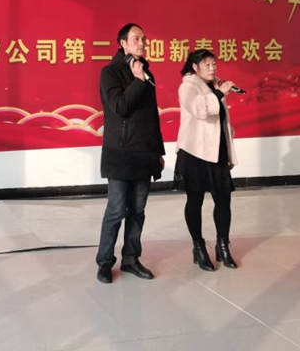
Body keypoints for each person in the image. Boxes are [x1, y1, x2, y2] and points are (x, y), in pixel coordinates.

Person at [95, 23, 166, 284]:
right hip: (120, 154)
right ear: (122, 43)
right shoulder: (110, 72)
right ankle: (105, 262)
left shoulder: (146, 72)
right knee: (116, 210)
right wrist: (137, 81)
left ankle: (131, 259)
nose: (142, 43)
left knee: (138, 210)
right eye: (136, 39)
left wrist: (158, 151)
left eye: (144, 39)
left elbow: (152, 118)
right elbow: (120, 107)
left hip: (144, 154)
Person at [174, 49, 239, 271]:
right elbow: (200, 110)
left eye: (214, 63)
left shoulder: (215, 86)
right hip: (194, 152)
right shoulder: (187, 86)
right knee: (195, 200)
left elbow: (220, 119)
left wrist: (228, 144)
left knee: (224, 199)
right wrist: (219, 93)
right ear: (195, 67)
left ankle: (223, 245)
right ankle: (198, 247)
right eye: (207, 64)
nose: (212, 68)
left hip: (216, 152)